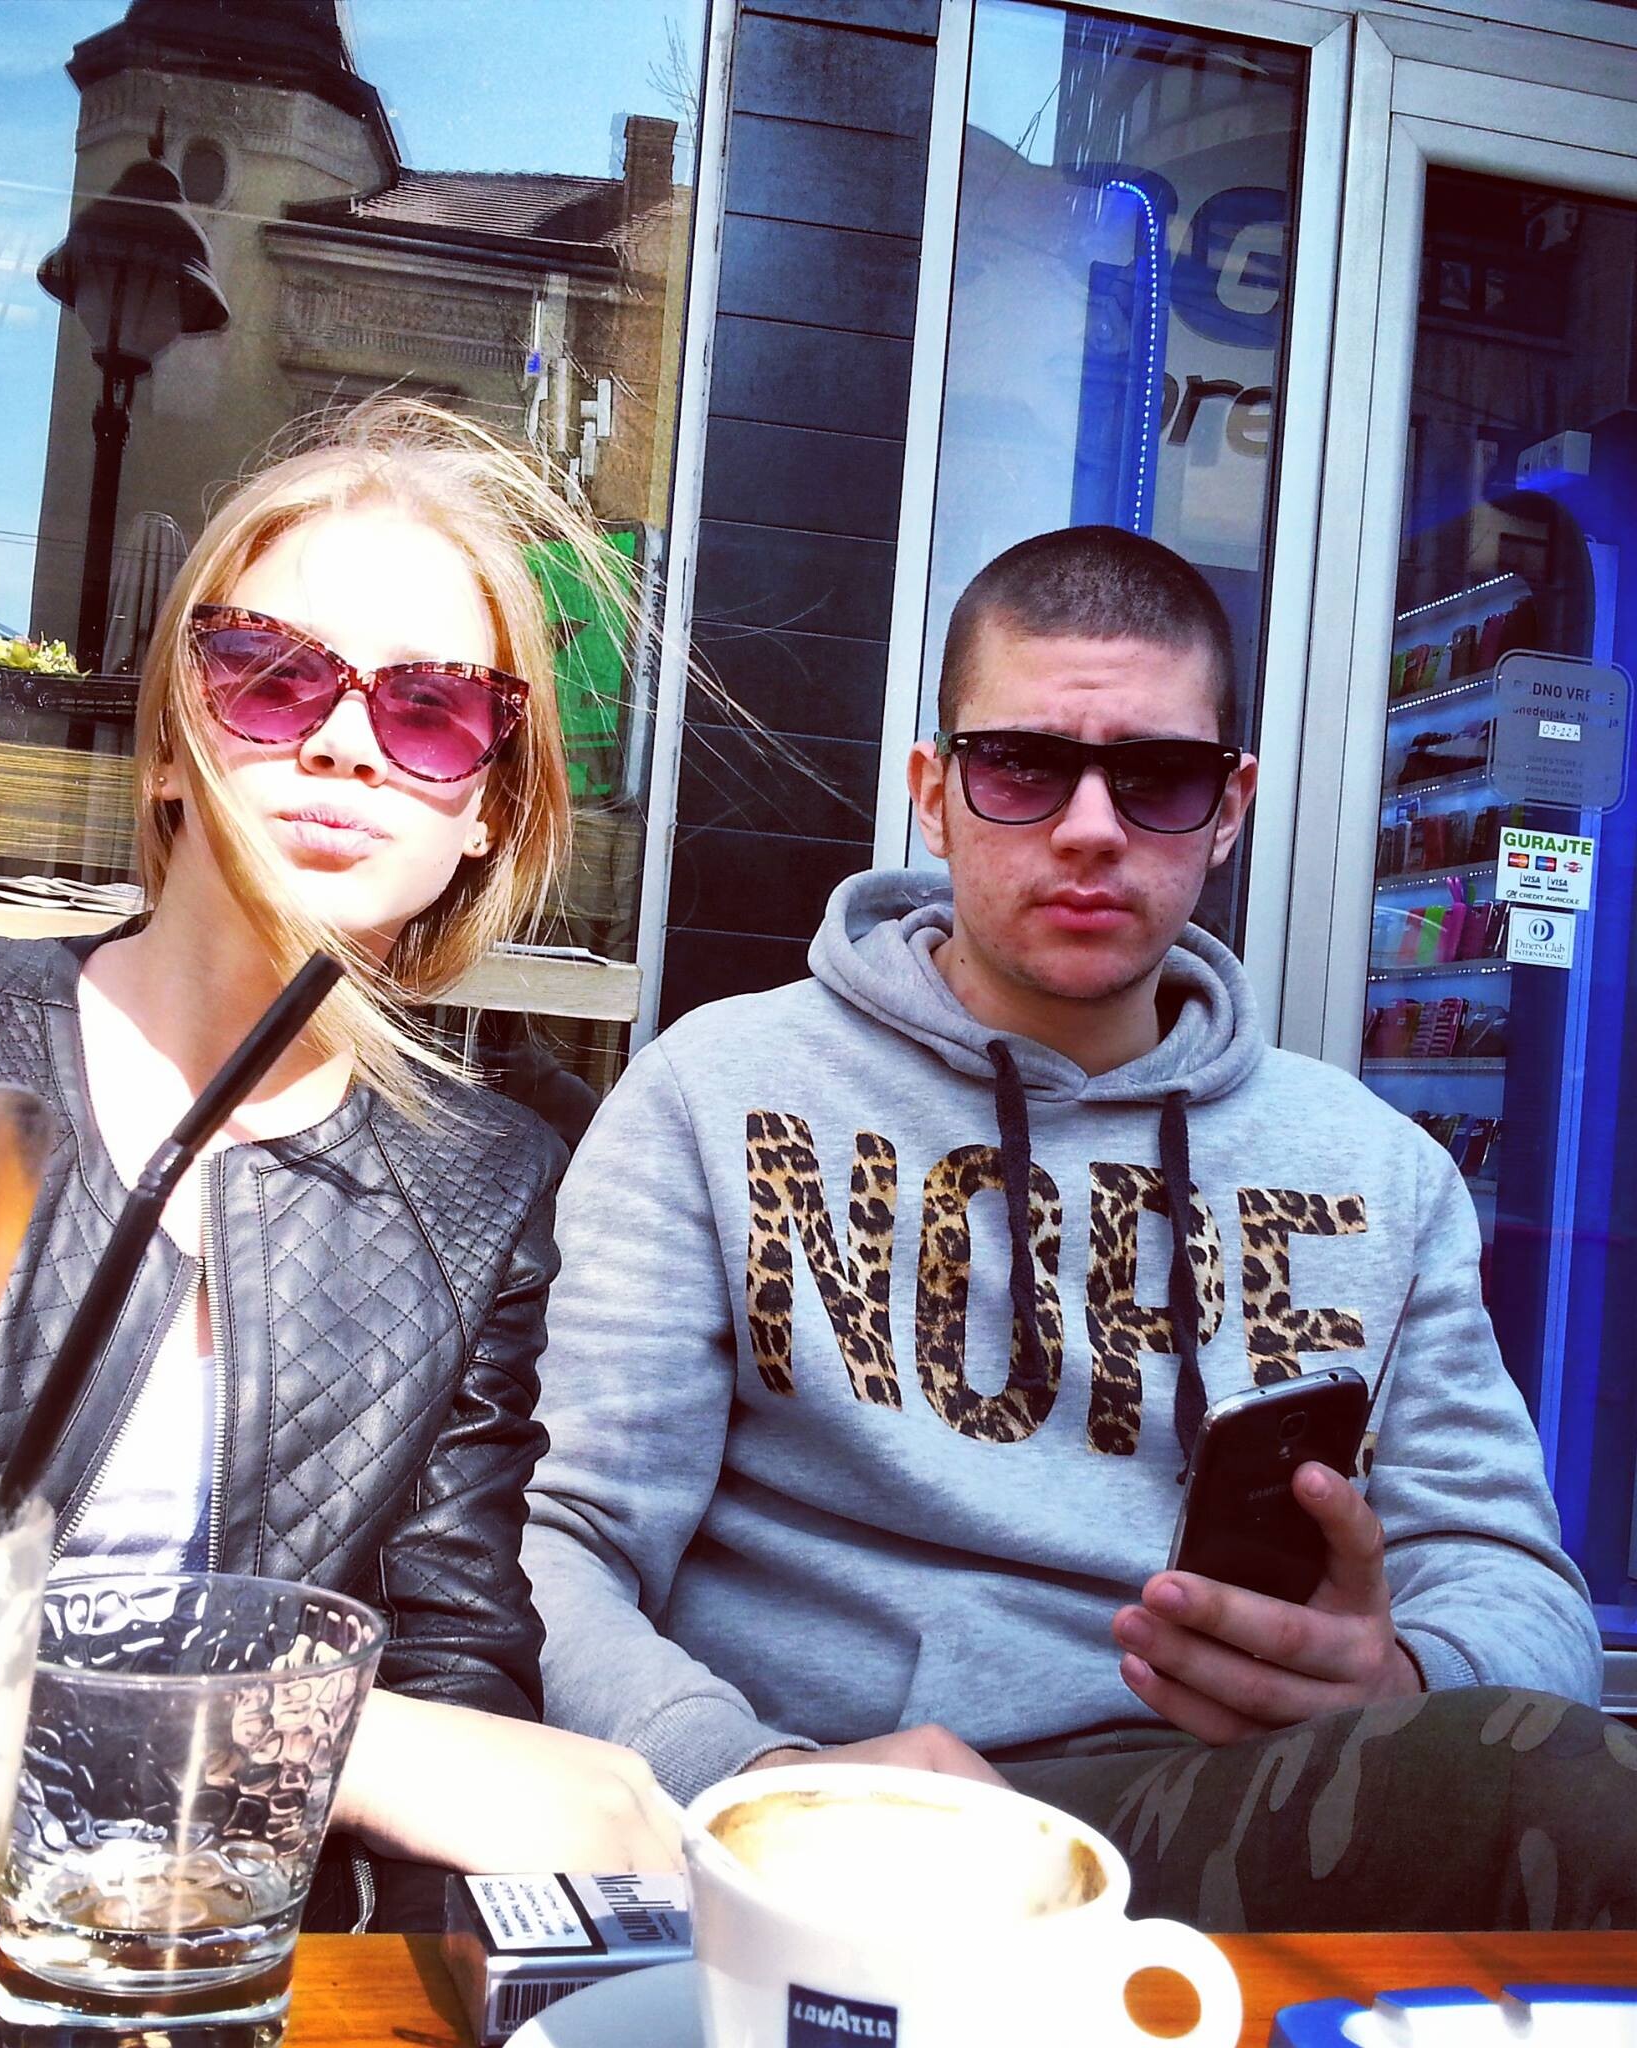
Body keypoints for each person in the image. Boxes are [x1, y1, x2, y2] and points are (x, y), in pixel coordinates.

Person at [0, 398, 679, 1926]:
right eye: (270, 676)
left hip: (204, 1945)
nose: (341, 740)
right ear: (175, 743)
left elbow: (454, 1670)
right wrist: (314, 1737)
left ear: (487, 811)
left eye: (432, 708)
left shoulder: (484, 1184)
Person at [525, 526, 1637, 1932]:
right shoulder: (712, 1093)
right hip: (805, 1815)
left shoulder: (1381, 1173)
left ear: (1228, 809)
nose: (1092, 828)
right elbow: (557, 1541)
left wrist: (1405, 1678)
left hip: (1212, 1803)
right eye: (1022, 767)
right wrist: (755, 1785)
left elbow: (1518, 1585)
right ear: (934, 795)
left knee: (1577, 1797)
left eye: (1158, 777)